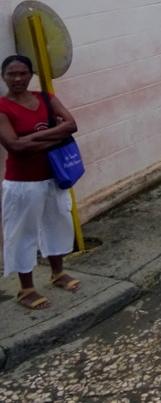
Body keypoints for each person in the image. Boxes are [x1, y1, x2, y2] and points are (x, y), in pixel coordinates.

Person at [0, 54, 81, 310]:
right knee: (23, 233)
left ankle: (58, 273)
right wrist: (55, 135)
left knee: (57, 222)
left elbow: (72, 125)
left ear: (31, 74)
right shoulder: (2, 108)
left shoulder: (46, 99)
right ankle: (26, 289)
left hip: (53, 176)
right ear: (3, 77)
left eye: (23, 73)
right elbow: (14, 146)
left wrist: (34, 139)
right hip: (23, 183)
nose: (17, 79)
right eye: (11, 74)